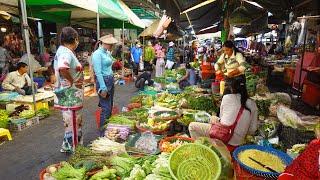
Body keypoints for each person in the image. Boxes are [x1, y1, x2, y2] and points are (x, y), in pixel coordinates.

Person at [189, 78, 258, 152]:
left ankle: (201, 150)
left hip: (222, 137)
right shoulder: (253, 104)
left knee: (192, 126)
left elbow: (222, 120)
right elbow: (252, 130)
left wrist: (214, 119)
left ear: (232, 87)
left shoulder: (227, 97)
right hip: (238, 142)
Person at [53, 27, 84, 152]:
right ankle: (75, 148)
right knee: (73, 120)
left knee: (69, 120)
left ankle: (68, 145)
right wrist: (72, 81)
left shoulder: (63, 50)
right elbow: (62, 68)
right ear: (75, 39)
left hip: (69, 93)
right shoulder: (66, 52)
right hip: (71, 94)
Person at [92, 34, 118, 136]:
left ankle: (107, 131)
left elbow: (111, 63)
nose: (111, 46)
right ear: (103, 43)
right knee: (106, 109)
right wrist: (103, 87)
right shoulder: (97, 54)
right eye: (109, 44)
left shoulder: (107, 52)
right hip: (104, 82)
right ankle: (102, 134)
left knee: (110, 107)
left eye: (112, 44)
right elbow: (98, 72)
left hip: (110, 80)